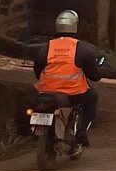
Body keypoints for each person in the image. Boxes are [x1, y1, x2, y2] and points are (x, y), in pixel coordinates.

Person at [30, 10, 105, 154]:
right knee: (93, 96)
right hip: (73, 94)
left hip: (46, 92)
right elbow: (94, 76)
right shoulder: (82, 49)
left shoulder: (47, 47)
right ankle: (81, 132)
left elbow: (37, 70)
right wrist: (100, 72)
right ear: (75, 27)